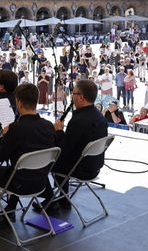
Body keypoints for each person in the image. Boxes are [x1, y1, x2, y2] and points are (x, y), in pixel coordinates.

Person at [0, 83, 56, 228]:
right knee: (19, 167)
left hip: (18, 183)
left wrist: (5, 135)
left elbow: (1, 156)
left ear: (19, 103)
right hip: (40, 181)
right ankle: (10, 209)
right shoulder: (48, 126)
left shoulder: (16, 128)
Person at [37, 79, 107, 211]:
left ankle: (50, 199)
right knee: (61, 162)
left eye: (73, 93)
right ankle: (63, 198)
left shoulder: (78, 120)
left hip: (80, 169)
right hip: (94, 166)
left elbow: (64, 150)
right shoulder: (100, 117)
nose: (71, 96)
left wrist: (58, 131)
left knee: (41, 163)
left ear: (81, 97)